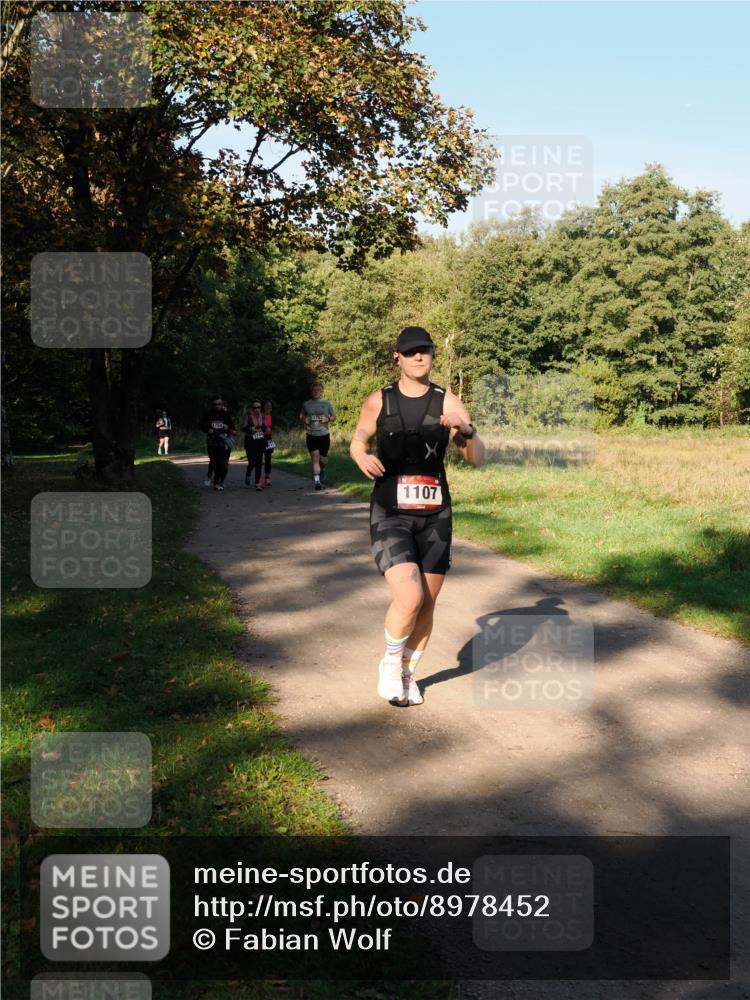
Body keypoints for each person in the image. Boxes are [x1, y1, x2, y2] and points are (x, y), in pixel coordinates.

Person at [349, 326, 485, 707]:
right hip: (390, 510)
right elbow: (359, 440)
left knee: (427, 603)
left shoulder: (448, 401)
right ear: (398, 357)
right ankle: (390, 664)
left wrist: (467, 431)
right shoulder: (379, 401)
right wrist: (360, 455)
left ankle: (408, 672)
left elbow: (478, 458)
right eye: (411, 352)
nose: (419, 357)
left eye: (424, 351)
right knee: (408, 596)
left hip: (435, 513)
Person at [299, 382, 335, 490]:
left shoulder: (327, 403)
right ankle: (317, 482)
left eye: (318, 390)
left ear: (321, 391)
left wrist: (328, 419)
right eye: (314, 390)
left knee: (323, 459)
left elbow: (333, 416)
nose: (316, 392)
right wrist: (304, 419)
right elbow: (301, 415)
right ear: (311, 391)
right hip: (311, 434)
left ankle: (322, 469)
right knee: (315, 457)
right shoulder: (306, 404)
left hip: (324, 435)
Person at [199, 394, 235, 492]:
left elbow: (232, 428)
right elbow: (201, 424)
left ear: (222, 403)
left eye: (219, 404)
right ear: (212, 404)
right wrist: (208, 429)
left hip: (223, 442)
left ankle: (219, 482)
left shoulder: (226, 414)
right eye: (215, 404)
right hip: (212, 441)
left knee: (222, 463)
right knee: (214, 461)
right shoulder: (208, 413)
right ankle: (214, 479)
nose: (217, 406)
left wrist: (228, 428)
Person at [241, 400, 266, 491]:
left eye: (259, 407)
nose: (257, 409)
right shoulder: (248, 416)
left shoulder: (263, 416)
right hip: (250, 441)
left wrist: (266, 429)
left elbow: (265, 426)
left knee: (259, 462)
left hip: (260, 440)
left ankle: (257, 483)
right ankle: (248, 473)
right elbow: (242, 428)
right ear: (252, 408)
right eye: (255, 407)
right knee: (252, 462)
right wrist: (249, 428)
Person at [262, 401, 274, 487]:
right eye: (267, 406)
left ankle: (267, 477)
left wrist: (270, 428)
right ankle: (258, 478)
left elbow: (270, 426)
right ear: (263, 407)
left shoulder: (269, 416)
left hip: (269, 438)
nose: (269, 408)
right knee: (259, 457)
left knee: (268, 458)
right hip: (260, 438)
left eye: (270, 406)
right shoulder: (260, 416)